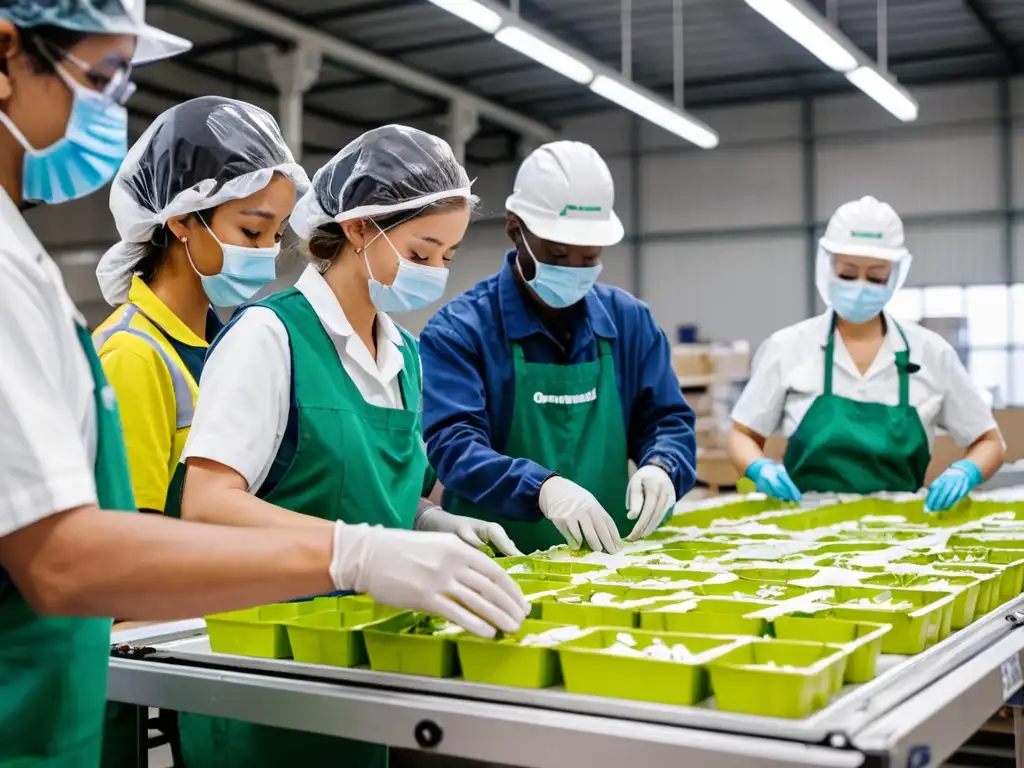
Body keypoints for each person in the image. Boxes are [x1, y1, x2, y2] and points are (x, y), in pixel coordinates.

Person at [0, 5, 524, 766]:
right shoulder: (218, 340)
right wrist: (354, 556)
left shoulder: (29, 266)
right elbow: (73, 558)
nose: (112, 113)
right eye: (107, 77)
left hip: (71, 700)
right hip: (90, 697)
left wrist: (413, 526)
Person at [166, 125, 526, 767]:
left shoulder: (405, 357)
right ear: (359, 229)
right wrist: (360, 551)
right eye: (422, 251)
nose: (437, 273)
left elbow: (369, 493)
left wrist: (429, 522)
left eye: (448, 256)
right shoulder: (270, 337)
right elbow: (209, 505)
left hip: (367, 667)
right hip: (269, 673)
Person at [420, 140, 698, 556]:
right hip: (501, 565)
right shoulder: (461, 331)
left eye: (588, 258)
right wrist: (543, 489)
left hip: (614, 562)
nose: (572, 269)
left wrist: (663, 465)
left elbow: (668, 420)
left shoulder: (629, 322)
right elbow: (455, 446)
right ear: (516, 229)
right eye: (557, 254)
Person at [93, 95, 309, 516]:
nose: (267, 252)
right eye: (251, 231)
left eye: (277, 235)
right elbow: (135, 538)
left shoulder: (220, 344)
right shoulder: (134, 355)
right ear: (180, 219)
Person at [726, 195, 1006, 511]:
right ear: (827, 266)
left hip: (902, 533)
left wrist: (964, 472)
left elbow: (990, 442)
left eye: (875, 275)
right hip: (804, 528)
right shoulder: (787, 347)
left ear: (895, 274)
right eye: (848, 272)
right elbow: (742, 435)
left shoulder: (932, 353)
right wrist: (759, 469)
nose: (861, 285)